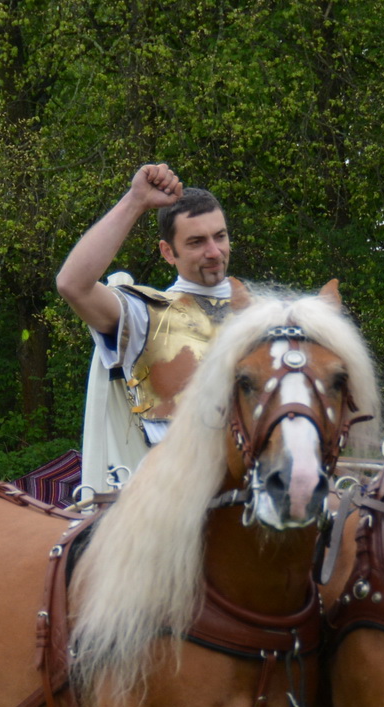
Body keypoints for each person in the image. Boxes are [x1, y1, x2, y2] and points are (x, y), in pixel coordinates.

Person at [55, 163, 244, 498]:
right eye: (198, 242)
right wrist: (135, 200)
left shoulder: (266, 314)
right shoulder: (145, 314)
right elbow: (73, 285)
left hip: (266, 494)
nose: (214, 252)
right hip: (177, 502)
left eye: (220, 236)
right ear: (168, 251)